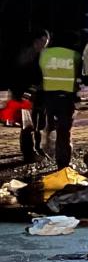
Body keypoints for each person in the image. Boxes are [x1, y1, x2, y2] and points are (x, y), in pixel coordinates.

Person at [39, 33, 80, 169]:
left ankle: (46, 146)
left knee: (50, 124)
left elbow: (39, 73)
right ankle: (63, 162)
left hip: (49, 97)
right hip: (67, 98)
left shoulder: (44, 54)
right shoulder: (75, 55)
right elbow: (82, 76)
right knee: (64, 131)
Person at [13, 29, 49, 164]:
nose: (44, 45)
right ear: (36, 41)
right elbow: (19, 77)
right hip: (27, 95)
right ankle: (28, 153)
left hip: (40, 95)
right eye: (43, 42)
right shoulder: (27, 56)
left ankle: (38, 148)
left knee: (40, 124)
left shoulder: (43, 56)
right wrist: (26, 91)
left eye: (46, 42)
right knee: (28, 125)